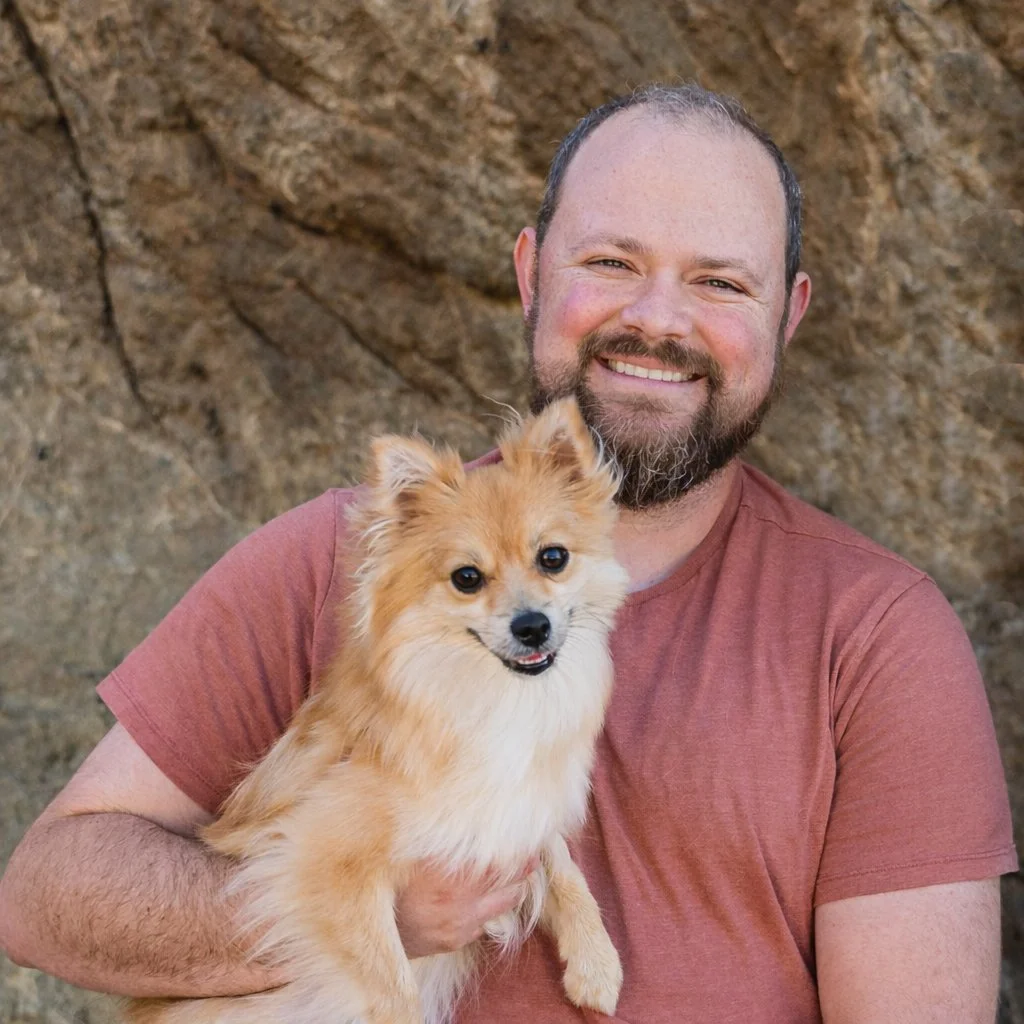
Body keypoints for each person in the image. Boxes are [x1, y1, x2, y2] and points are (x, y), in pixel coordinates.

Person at [0, 83, 1016, 1023]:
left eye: (718, 281)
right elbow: (48, 894)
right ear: (531, 270)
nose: (656, 319)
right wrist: (371, 911)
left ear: (787, 314)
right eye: (611, 262)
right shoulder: (345, 560)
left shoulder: (876, 634)